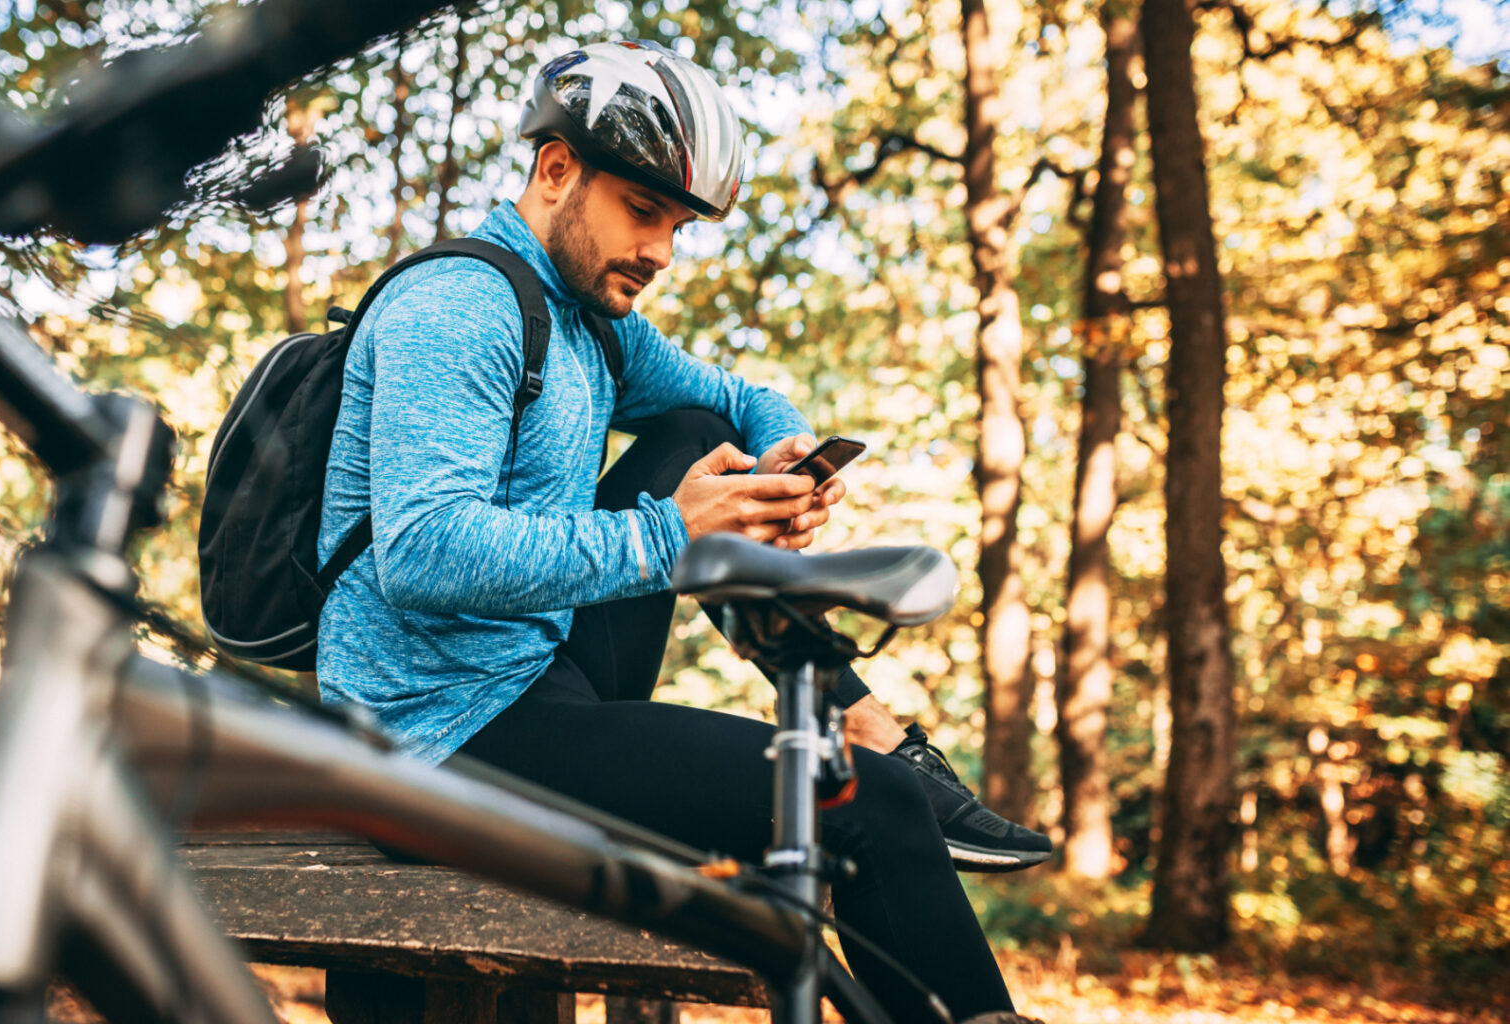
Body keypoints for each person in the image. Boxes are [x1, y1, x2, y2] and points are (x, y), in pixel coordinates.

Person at [317, 40, 1045, 1022]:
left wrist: (783, 456)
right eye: (643, 211)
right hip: (435, 737)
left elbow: (733, 399)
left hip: (536, 675)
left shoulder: (588, 319)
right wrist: (672, 533)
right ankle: (880, 760)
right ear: (555, 169)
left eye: (678, 225)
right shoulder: (457, 308)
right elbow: (422, 554)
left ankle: (855, 713)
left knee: (697, 431)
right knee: (869, 807)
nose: (660, 252)